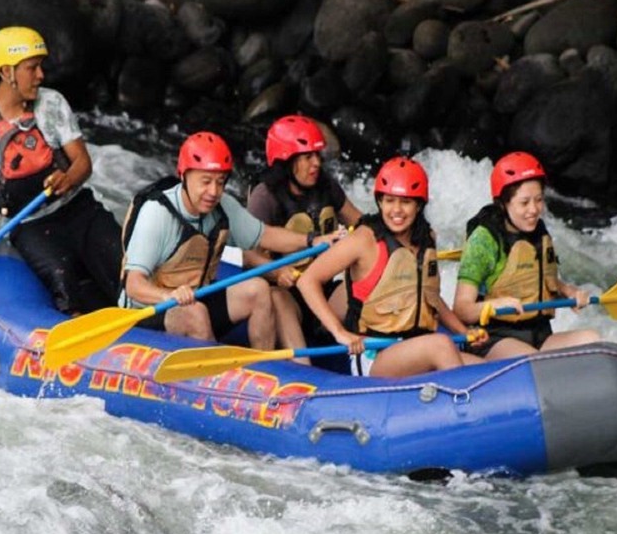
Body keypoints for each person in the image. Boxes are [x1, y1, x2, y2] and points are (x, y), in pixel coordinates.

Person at [0, 26, 122, 315]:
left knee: (127, 270)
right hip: (29, 225)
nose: (41, 75)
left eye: (40, 67)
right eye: (32, 68)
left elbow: (82, 163)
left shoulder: (52, 103)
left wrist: (68, 179)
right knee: (63, 283)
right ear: (6, 72)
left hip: (79, 210)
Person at [119, 131, 342, 349]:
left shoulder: (223, 206)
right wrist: (169, 296)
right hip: (149, 313)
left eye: (220, 181)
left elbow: (267, 235)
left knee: (258, 289)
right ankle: (210, 377)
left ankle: (263, 370)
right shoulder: (157, 213)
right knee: (194, 312)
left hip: (197, 297)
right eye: (205, 181)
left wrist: (313, 240)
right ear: (184, 175)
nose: (213, 191)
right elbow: (133, 284)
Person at [296, 156, 486, 378]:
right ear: (379, 202)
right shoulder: (363, 239)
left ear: (418, 205)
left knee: (485, 369)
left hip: (417, 346)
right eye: (389, 201)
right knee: (441, 346)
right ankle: (461, 410)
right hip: (374, 355)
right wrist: (340, 333)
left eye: (405, 202)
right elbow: (307, 280)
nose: (396, 210)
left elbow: (430, 297)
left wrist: (464, 332)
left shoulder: (427, 238)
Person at [451, 151, 600, 360]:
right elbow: (461, 309)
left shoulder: (538, 232)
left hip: (540, 335)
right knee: (536, 363)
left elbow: (541, 280)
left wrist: (569, 291)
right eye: (524, 202)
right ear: (503, 203)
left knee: (592, 340)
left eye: (538, 200)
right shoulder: (484, 240)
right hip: (495, 338)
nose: (534, 209)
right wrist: (492, 305)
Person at [245, 115, 363, 355]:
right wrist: (277, 272)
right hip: (288, 295)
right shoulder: (265, 195)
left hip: (323, 291)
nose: (316, 163)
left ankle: (375, 358)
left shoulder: (326, 186)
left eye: (318, 156)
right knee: (276, 297)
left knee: (365, 280)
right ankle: (301, 367)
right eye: (307, 157)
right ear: (286, 160)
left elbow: (362, 226)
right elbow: (248, 256)